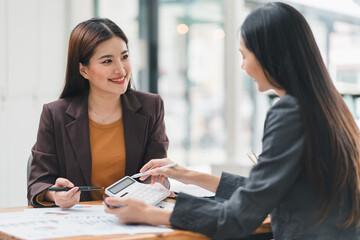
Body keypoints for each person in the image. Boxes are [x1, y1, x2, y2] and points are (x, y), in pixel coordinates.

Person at [103, 2, 360, 239]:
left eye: (244, 55)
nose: (243, 66)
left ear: (269, 56)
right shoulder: (328, 105)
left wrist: (149, 214)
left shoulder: (290, 113)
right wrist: (187, 174)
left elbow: (239, 217)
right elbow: (264, 189)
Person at [28, 17, 170, 208]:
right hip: (79, 223)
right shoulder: (55, 114)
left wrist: (153, 189)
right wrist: (55, 195)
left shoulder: (151, 106)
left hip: (132, 218)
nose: (121, 69)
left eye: (124, 57)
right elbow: (38, 182)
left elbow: (157, 173)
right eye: (107, 61)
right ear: (83, 70)